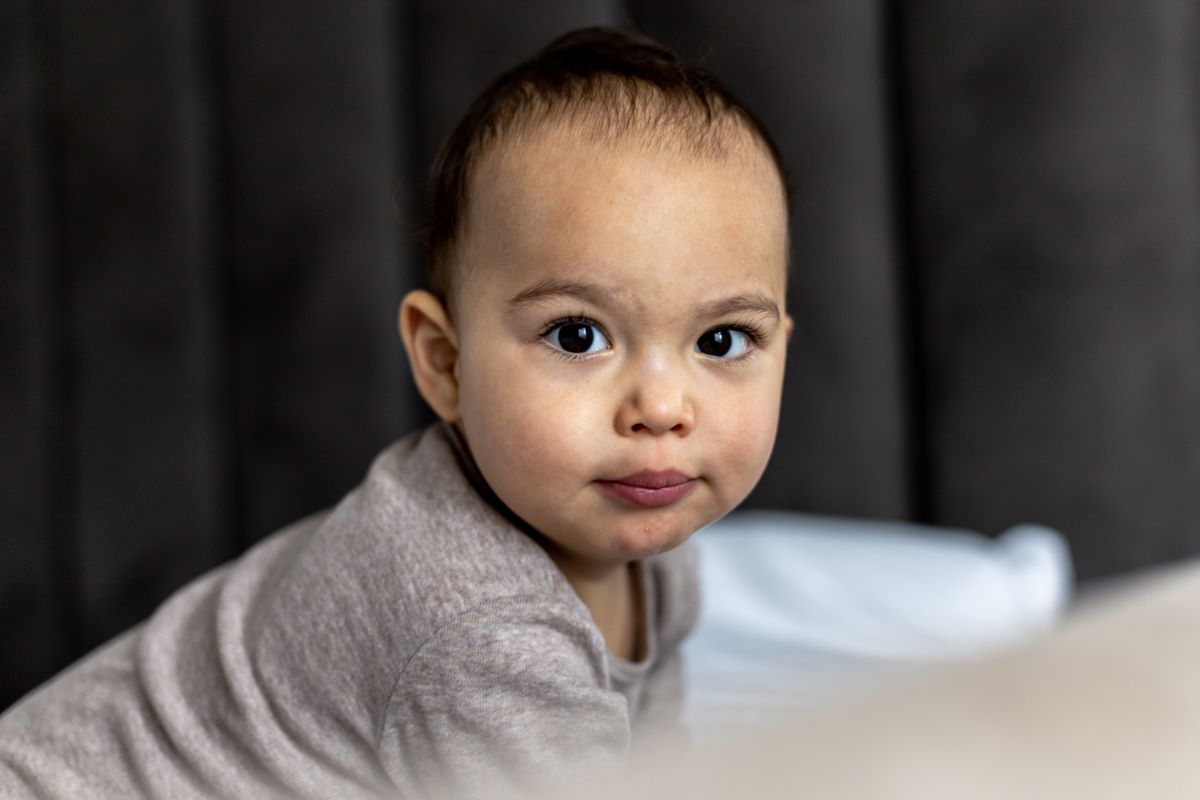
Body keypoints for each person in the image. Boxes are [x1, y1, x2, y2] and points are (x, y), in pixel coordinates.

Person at [0, 26, 792, 799]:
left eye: (723, 340)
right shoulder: (479, 631)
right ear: (445, 362)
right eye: (577, 335)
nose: (661, 408)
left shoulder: (656, 543)